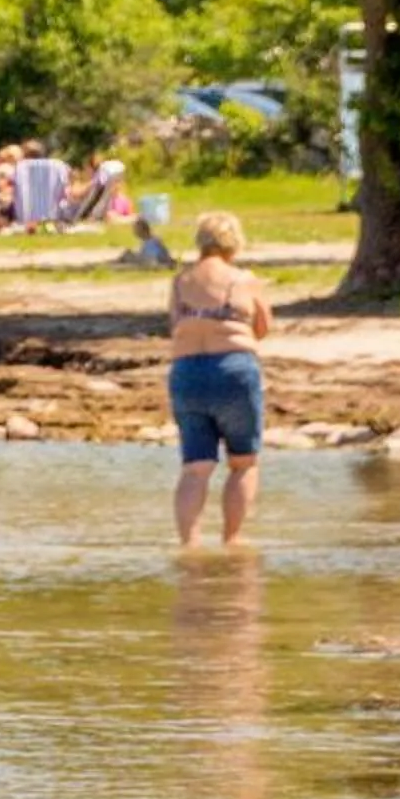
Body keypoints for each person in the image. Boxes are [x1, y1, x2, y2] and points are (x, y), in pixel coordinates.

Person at [169, 211, 273, 547]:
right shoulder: (244, 279)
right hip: (233, 369)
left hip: (186, 372)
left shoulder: (181, 282)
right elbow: (262, 327)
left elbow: (175, 326)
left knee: (195, 467)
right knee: (243, 463)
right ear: (234, 243)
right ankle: (232, 540)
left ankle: (189, 544)